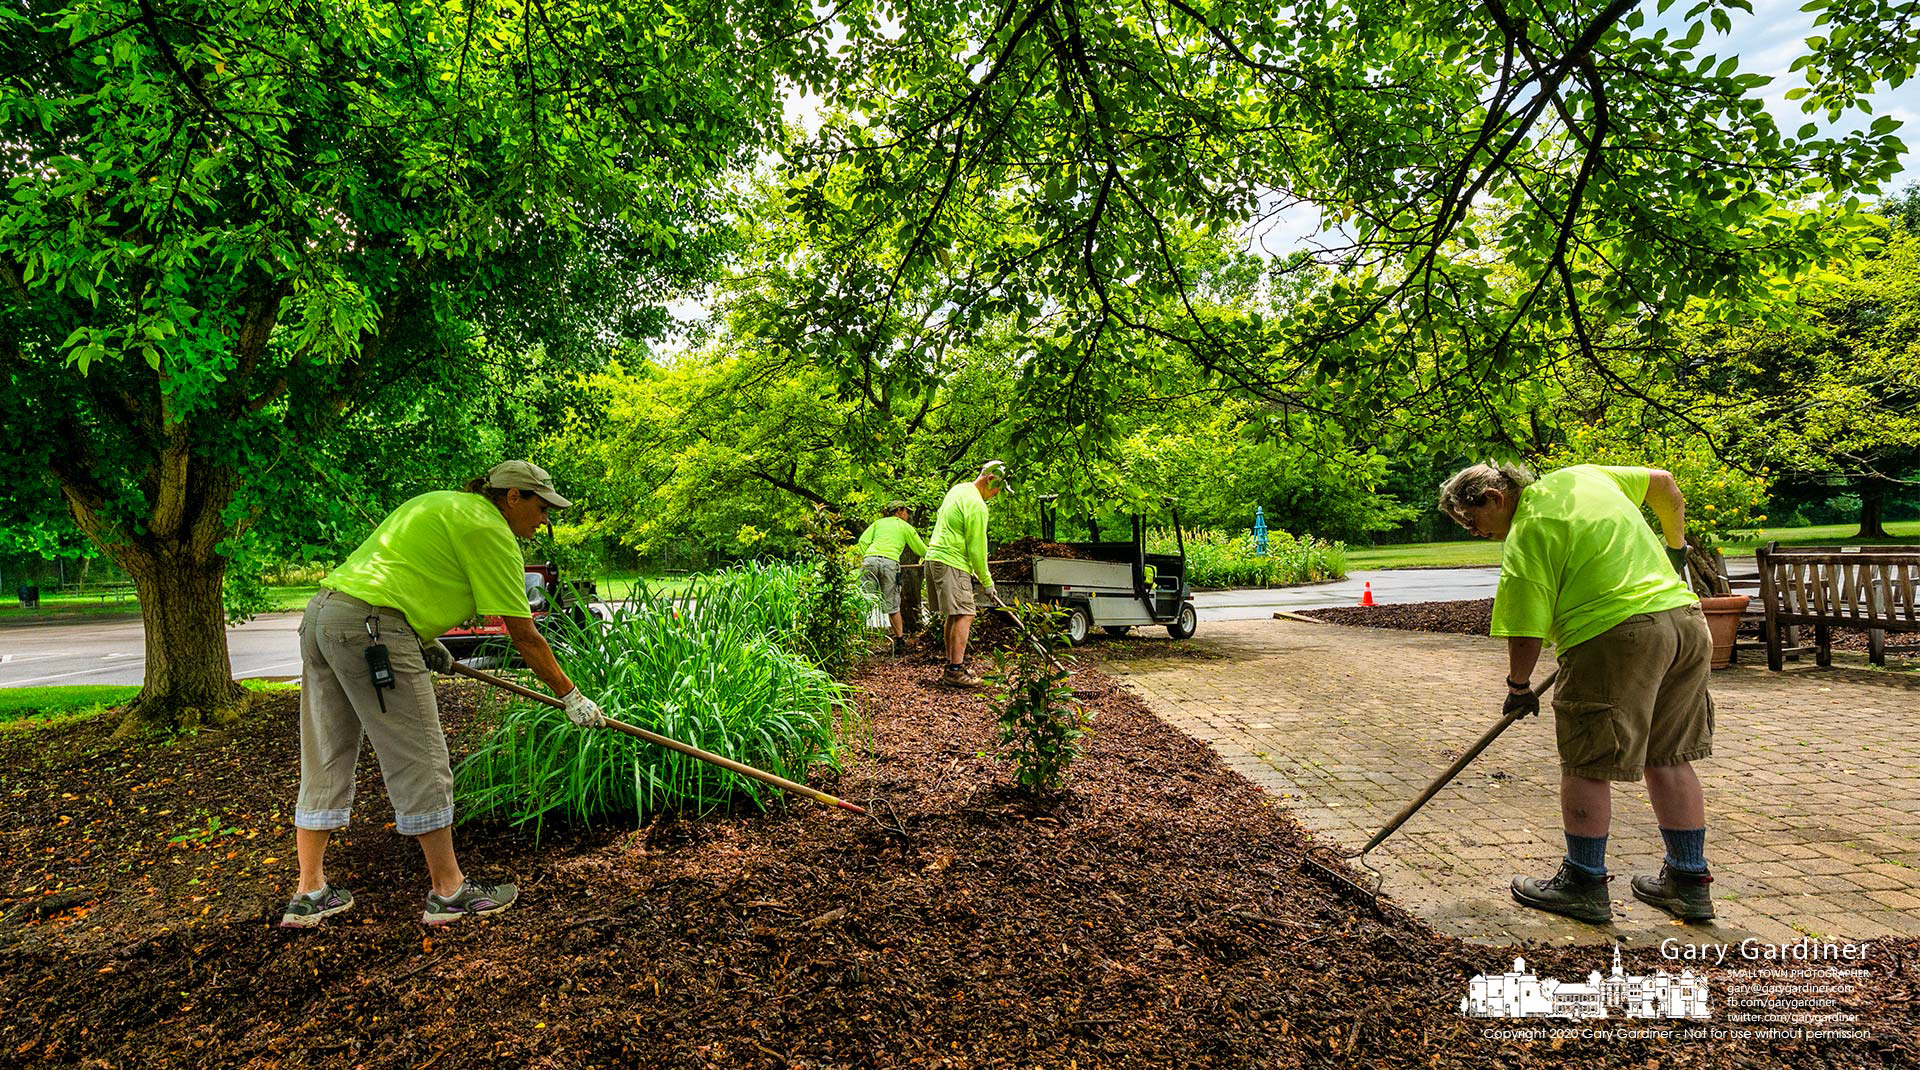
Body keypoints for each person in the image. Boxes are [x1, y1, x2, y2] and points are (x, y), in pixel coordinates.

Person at [280, 460, 607, 929]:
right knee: (421, 756)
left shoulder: (438, 504)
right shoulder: (492, 531)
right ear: (512, 497)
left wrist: (424, 639)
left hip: (323, 618)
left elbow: (397, 576)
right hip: (373, 632)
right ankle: (449, 891)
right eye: (541, 506)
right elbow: (523, 633)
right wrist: (571, 696)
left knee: (327, 751)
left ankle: (310, 893)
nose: (545, 519)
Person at [1438, 461, 1716, 925]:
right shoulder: (1585, 476)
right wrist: (1675, 549)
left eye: (1472, 519)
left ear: (1494, 496)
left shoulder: (1528, 533)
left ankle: (1584, 884)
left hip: (1616, 636)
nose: (1473, 531)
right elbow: (1665, 484)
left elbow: (1525, 629)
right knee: (1668, 755)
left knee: (1587, 759)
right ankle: (1689, 882)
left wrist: (1519, 687)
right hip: (1685, 623)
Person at [922, 461, 1009, 688]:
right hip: (952, 561)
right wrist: (987, 581)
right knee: (966, 614)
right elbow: (977, 549)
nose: (997, 494)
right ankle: (955, 671)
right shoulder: (977, 505)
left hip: (935, 558)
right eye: (998, 487)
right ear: (990, 479)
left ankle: (953, 666)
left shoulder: (959, 489)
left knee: (956, 614)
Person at [854, 500, 928, 656]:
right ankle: (900, 641)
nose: (908, 515)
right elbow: (920, 548)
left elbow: (862, 542)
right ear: (899, 511)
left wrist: (865, 558)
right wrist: (930, 556)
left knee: (863, 601)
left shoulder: (878, 523)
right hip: (890, 562)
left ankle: (857, 640)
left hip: (869, 560)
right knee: (892, 603)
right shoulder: (905, 527)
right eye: (907, 511)